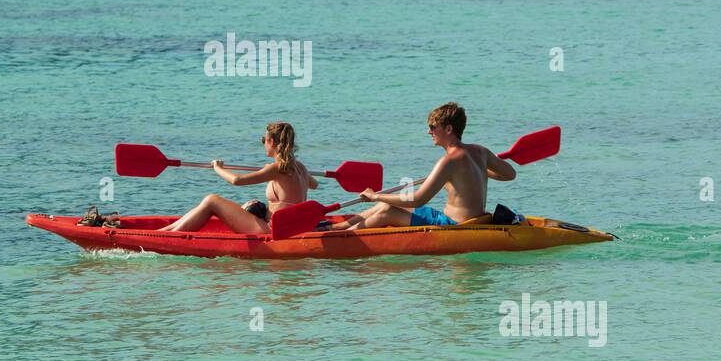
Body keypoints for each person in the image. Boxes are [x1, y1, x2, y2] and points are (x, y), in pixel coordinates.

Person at [331, 102, 515, 230]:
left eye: (433, 127)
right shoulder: (480, 152)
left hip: (454, 225)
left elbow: (417, 200)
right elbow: (510, 174)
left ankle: (342, 237)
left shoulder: (448, 161)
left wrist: (375, 195)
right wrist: (480, 171)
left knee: (386, 210)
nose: (429, 131)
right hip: (474, 220)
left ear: (449, 129)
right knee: (380, 207)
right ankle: (336, 226)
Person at [160, 122, 317, 233]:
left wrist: (218, 168)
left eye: (264, 140)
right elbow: (314, 184)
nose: (264, 144)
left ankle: (169, 236)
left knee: (211, 200)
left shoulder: (275, 169)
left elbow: (237, 180)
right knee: (210, 203)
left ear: (271, 142)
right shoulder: (301, 168)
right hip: (290, 228)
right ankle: (165, 231)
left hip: (272, 231)